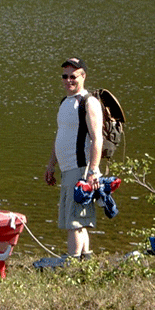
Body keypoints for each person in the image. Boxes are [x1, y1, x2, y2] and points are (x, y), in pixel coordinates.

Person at [44, 58, 104, 259]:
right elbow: (60, 136)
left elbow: (97, 139)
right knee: (78, 219)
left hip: (81, 169)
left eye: (73, 76)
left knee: (74, 221)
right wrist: (51, 165)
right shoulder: (65, 102)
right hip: (67, 169)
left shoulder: (89, 102)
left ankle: (72, 265)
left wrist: (93, 171)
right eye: (65, 76)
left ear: (83, 76)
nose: (69, 80)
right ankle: (85, 260)